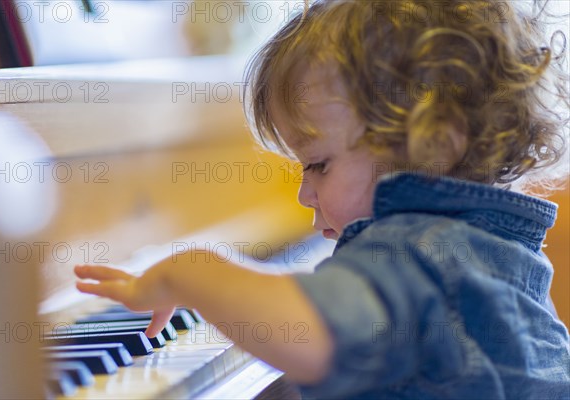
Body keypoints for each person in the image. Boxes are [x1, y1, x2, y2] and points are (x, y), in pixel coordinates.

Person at [75, 1, 570, 398]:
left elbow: (312, 335)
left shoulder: (423, 250)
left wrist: (190, 273)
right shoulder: (487, 248)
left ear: (435, 143)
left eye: (319, 164)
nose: (304, 192)